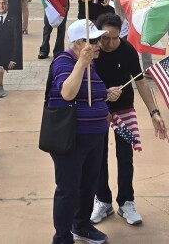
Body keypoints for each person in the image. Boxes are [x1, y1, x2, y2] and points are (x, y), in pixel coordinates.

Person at [89, 13, 167, 227]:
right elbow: (83, 83)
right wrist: (103, 94)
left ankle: (126, 202)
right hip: (97, 109)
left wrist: (154, 112)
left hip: (123, 109)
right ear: (98, 34)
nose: (110, 43)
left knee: (125, 156)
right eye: (105, 38)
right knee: (98, 156)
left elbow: (140, 82)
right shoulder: (91, 51)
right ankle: (102, 200)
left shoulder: (127, 50)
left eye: (115, 38)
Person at [47, 19, 116, 244]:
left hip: (95, 137)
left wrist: (105, 93)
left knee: (88, 185)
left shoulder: (90, 63)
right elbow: (67, 92)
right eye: (93, 40)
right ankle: (62, 236)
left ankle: (82, 225)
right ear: (78, 43)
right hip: (72, 138)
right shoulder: (64, 61)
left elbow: (86, 93)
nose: (98, 44)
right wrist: (81, 64)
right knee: (68, 189)